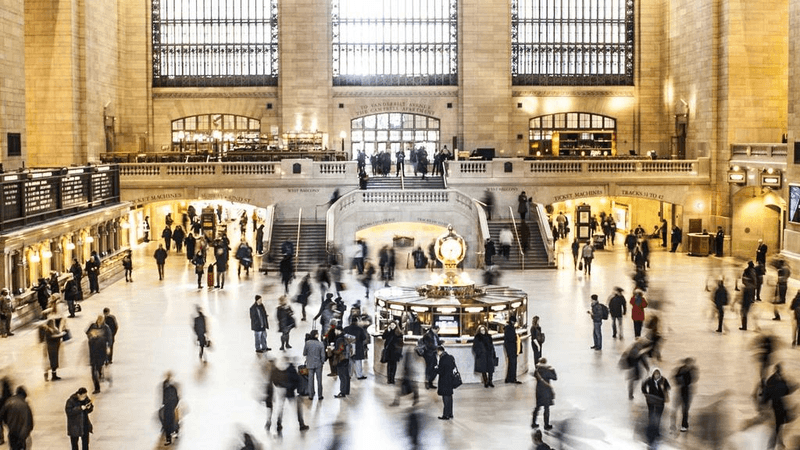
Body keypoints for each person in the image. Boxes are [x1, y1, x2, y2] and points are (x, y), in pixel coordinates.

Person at [265, 358, 309, 432]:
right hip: (290, 391)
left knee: (280, 407)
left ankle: (279, 424)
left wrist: (279, 385)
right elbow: (296, 379)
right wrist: (294, 388)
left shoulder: (275, 369)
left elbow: (273, 381)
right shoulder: (291, 367)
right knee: (297, 407)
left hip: (280, 390)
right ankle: (301, 424)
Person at [641, 368, 670, 446]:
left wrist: (663, 389)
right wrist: (646, 394)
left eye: (657, 373)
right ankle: (651, 432)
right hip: (651, 401)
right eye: (655, 373)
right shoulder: (649, 380)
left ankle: (656, 432)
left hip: (660, 401)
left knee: (658, 416)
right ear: (653, 374)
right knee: (651, 416)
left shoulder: (663, 380)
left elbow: (668, 388)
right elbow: (643, 386)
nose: (656, 375)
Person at [0, 386, 33, 450]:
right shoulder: (25, 404)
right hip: (23, 434)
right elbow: (30, 422)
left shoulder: (9, 401)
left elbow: (2, 415)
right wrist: (27, 432)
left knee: (13, 447)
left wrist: (7, 424)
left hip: (12, 432)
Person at [673, 357, 698, 432]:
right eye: (688, 362)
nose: (689, 364)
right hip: (681, 390)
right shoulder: (681, 369)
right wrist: (679, 382)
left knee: (685, 409)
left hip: (688, 391)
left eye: (690, 363)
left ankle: (684, 425)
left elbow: (694, 379)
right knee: (677, 408)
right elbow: (675, 377)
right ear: (686, 363)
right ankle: (676, 425)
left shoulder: (693, 369)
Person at [531, 358, 557, 430]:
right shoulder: (548, 370)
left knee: (537, 407)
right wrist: (552, 370)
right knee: (546, 408)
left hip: (538, 390)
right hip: (546, 390)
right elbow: (554, 377)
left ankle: (533, 423)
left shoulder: (537, 371)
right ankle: (546, 424)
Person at [435, 345, 458, 420]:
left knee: (445, 398)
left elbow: (441, 371)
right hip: (450, 380)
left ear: (439, 351)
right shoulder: (451, 357)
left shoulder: (442, 359)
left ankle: (446, 415)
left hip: (444, 381)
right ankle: (450, 413)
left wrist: (436, 368)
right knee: (450, 397)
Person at [343, 315, 369, 380]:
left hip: (349, 348)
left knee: (350, 362)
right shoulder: (360, 329)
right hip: (358, 348)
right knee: (358, 362)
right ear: (357, 322)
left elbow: (343, 337)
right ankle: (359, 375)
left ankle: (349, 375)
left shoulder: (346, 328)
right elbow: (364, 338)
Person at [302, 329, 325, 400]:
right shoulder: (320, 344)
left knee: (310, 380)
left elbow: (304, 353)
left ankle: (311, 395)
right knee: (319, 380)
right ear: (316, 335)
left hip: (310, 363)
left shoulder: (307, 343)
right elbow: (323, 355)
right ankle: (320, 395)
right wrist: (322, 362)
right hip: (318, 364)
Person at [42, 317, 65, 381]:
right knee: (48, 363)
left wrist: (60, 334)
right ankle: (47, 377)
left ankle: (54, 375)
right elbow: (51, 337)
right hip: (49, 349)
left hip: (54, 348)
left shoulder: (54, 329)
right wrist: (60, 335)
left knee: (53, 362)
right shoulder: (48, 330)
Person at [332, 327, 352, 398]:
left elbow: (340, 349)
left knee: (342, 376)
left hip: (341, 359)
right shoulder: (346, 337)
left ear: (338, 330)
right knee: (346, 375)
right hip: (346, 358)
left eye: (335, 330)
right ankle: (346, 391)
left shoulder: (340, 339)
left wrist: (333, 350)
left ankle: (342, 392)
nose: (335, 332)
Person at [160, 373, 180, 446]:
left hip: (170, 406)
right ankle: (170, 436)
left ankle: (173, 434)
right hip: (169, 406)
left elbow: (176, 397)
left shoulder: (171, 386)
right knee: (170, 421)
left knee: (171, 421)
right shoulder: (166, 386)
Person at [422, 325, 441, 389]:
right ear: (434, 329)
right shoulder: (428, 335)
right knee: (429, 368)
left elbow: (437, 342)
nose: (438, 332)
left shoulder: (435, 335)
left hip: (433, 353)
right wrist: (436, 347)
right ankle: (427, 382)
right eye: (437, 330)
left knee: (434, 367)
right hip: (428, 354)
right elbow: (429, 345)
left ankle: (430, 382)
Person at [504, 316, 521, 384]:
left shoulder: (507, 328)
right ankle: (512, 378)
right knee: (513, 364)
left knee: (511, 364)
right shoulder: (510, 328)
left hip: (510, 349)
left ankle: (509, 378)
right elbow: (511, 339)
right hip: (512, 348)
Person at [740, 261, 757, 330]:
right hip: (751, 288)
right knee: (746, 313)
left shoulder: (746, 271)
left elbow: (743, 278)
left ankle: (744, 326)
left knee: (744, 313)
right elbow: (754, 279)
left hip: (748, 292)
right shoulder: (753, 271)